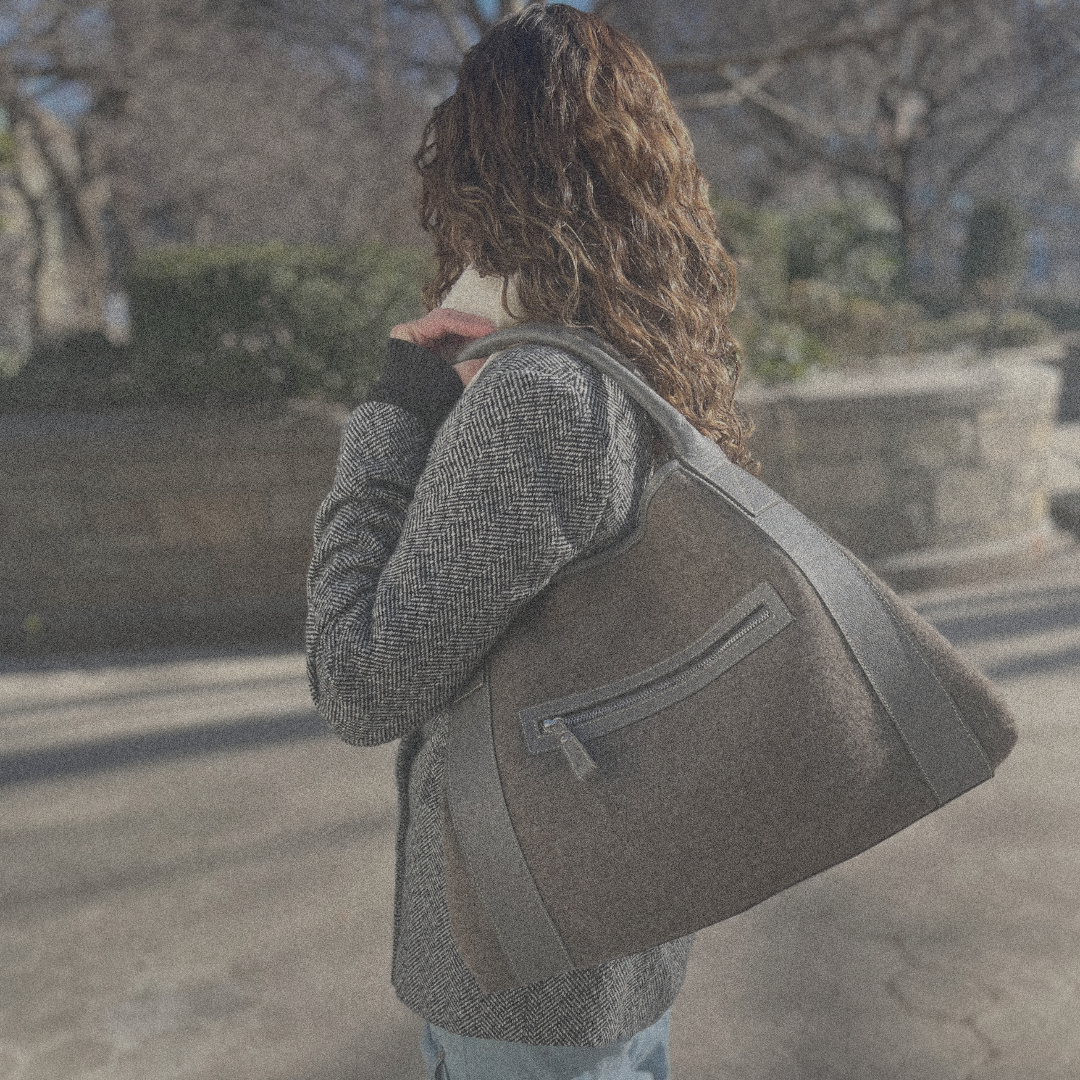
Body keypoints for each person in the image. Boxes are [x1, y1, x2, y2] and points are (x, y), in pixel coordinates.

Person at [305, 4, 753, 1077]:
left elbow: (358, 684)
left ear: (479, 175)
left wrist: (395, 411)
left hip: (522, 975)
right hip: (615, 928)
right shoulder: (651, 370)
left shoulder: (539, 395)